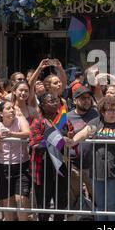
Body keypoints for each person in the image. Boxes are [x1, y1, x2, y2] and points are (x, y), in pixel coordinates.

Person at [68, 96, 115, 221]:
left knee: (112, 204)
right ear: (103, 112)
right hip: (97, 168)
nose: (113, 113)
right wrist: (71, 141)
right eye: (109, 110)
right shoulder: (96, 122)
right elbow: (84, 133)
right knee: (100, 204)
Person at [0, 101, 31, 221]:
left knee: (21, 199)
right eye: (8, 108)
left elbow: (28, 133)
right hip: (2, 167)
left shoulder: (19, 120)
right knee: (7, 202)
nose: (12, 110)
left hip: (22, 165)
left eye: (12, 108)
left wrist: (12, 134)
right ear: (1, 113)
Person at [29, 93, 69, 221]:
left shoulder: (64, 120)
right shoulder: (38, 122)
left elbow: (72, 138)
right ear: (42, 105)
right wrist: (58, 140)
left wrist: (71, 137)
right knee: (43, 203)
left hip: (62, 165)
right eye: (49, 100)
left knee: (61, 201)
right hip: (43, 166)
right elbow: (35, 144)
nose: (54, 102)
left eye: (55, 100)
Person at [65, 85, 99, 218]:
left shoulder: (96, 114)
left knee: (97, 198)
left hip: (93, 165)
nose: (86, 101)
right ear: (74, 101)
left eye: (88, 98)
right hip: (73, 164)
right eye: (83, 98)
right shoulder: (67, 116)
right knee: (72, 200)